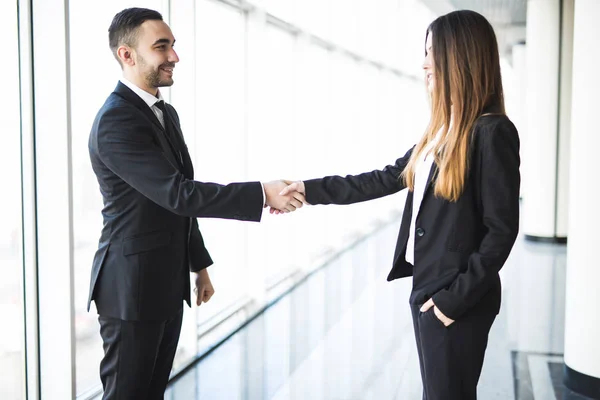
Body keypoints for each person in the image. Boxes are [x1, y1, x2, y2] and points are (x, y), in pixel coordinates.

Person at [278, 10, 520, 400]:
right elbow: (383, 178)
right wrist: (306, 189)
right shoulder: (444, 128)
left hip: (456, 296)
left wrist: (452, 301)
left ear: (461, 57)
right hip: (428, 286)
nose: (425, 63)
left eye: (433, 53)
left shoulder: (491, 132)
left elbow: (501, 231)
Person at [87, 7, 303, 399]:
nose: (175, 56)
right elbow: (180, 195)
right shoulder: (116, 121)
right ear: (127, 55)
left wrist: (198, 264)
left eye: (173, 45)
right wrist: (262, 192)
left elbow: (179, 193)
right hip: (131, 291)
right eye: (162, 47)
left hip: (165, 282)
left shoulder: (164, 113)